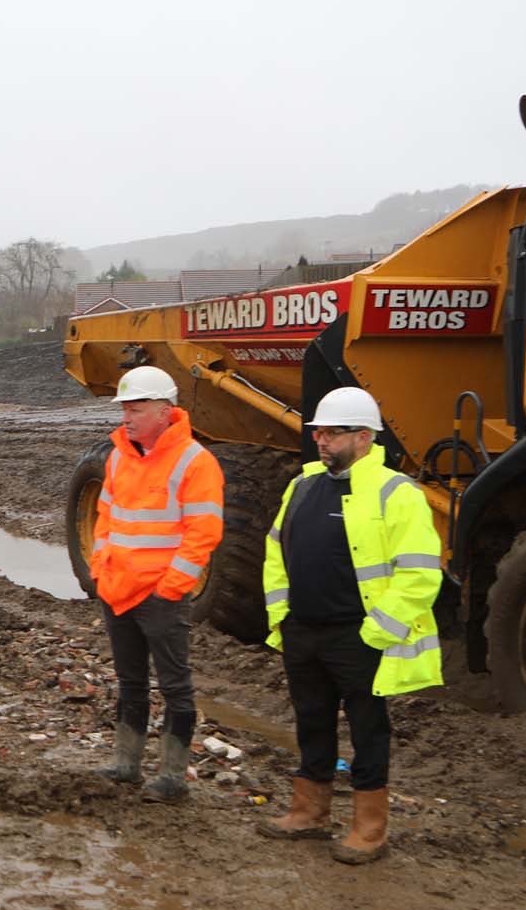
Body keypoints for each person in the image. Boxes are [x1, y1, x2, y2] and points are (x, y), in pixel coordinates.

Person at [258, 386, 443, 864]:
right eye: (318, 431)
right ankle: (308, 815)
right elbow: (277, 551)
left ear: (363, 437)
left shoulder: (395, 492)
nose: (320, 439)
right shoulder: (302, 485)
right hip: (304, 630)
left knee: (367, 731)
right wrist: (282, 615)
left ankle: (369, 830)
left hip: (359, 636)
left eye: (332, 432)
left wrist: (377, 631)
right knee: (312, 721)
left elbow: (421, 572)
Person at [89, 365, 226, 801]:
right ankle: (125, 763)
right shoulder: (118, 456)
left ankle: (171, 774)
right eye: (125, 409)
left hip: (160, 595)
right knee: (129, 681)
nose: (127, 417)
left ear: (166, 411)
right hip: (118, 588)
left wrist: (172, 586)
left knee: (174, 685)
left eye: (137, 408)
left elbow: (203, 532)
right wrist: (100, 566)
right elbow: (105, 517)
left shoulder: (194, 461)